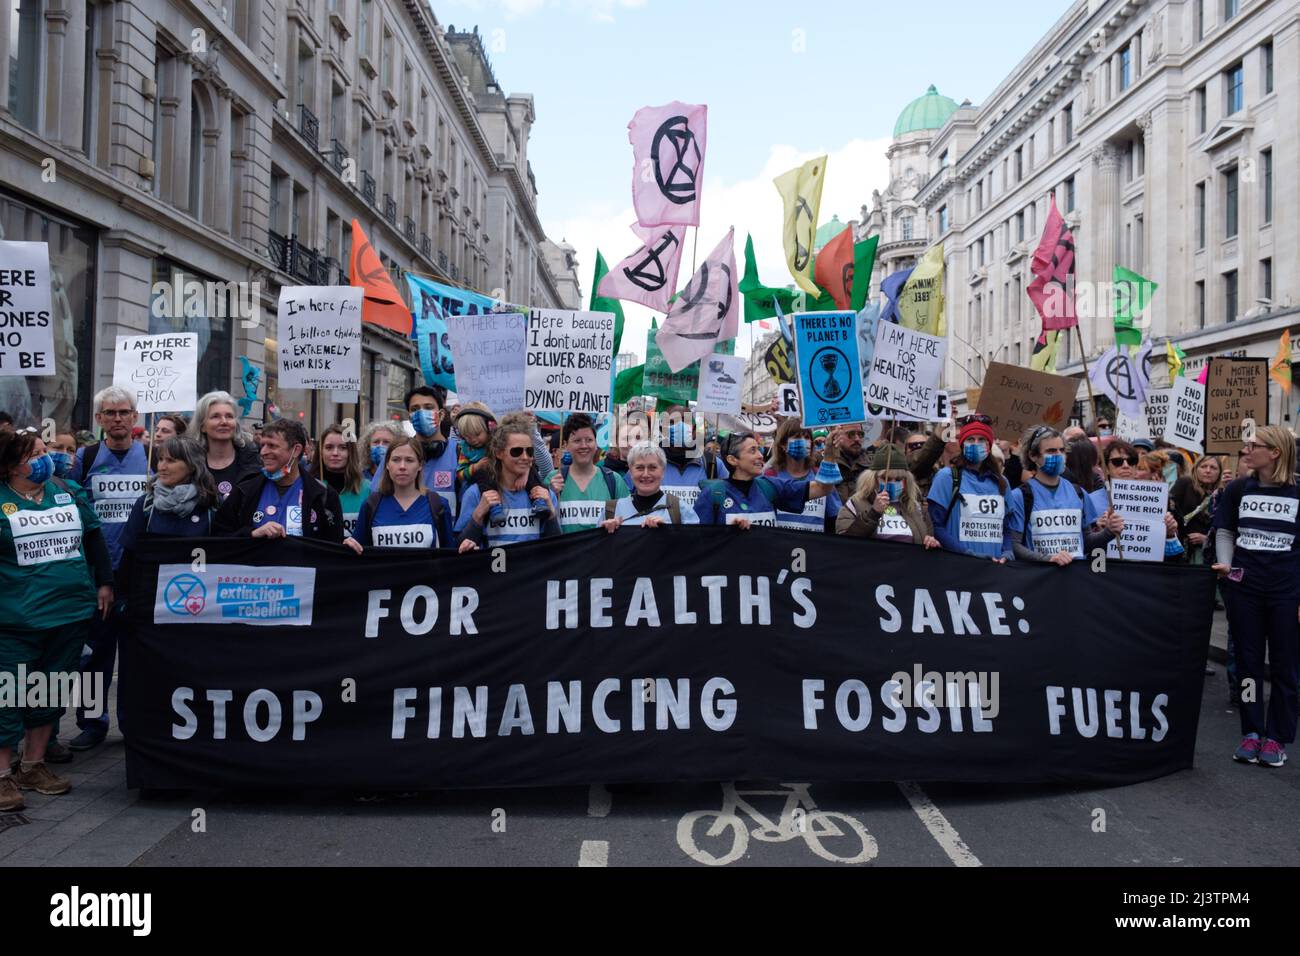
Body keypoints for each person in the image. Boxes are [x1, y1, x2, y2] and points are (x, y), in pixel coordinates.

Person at [0, 427, 114, 810]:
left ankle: (33, 765)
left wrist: (104, 583)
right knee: (9, 695)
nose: (46, 456)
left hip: (69, 613)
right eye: (35, 453)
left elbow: (94, 537)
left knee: (49, 689)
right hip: (16, 620)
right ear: (13, 464)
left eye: (44, 449)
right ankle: (2, 776)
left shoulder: (66, 491)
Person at [67, 386, 149, 752]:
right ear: (99, 419)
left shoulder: (152, 457)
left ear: (136, 417)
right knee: (95, 656)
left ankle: (136, 722)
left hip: (140, 575)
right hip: (97, 575)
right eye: (110, 413)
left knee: (138, 655)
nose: (118, 419)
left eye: (124, 412)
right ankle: (91, 722)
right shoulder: (84, 459)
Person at [1212, 426, 1300, 768]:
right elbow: (1225, 531)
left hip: (1286, 591)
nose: (1246, 449)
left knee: (1284, 666)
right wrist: (1230, 572)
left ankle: (1276, 737)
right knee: (1248, 663)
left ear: (1274, 452)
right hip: (1245, 590)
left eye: (1254, 445)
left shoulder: (1297, 491)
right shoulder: (1237, 489)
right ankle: (1251, 731)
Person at [1007, 425, 1123, 565]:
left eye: (1061, 450)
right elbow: (1014, 545)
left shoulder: (1078, 493)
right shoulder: (1020, 496)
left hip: (1076, 579)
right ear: (1033, 456)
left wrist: (1109, 531)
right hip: (1040, 579)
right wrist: (1048, 558)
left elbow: (1085, 542)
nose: (1058, 455)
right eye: (1051, 451)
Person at [213, 419, 345, 541]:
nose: (263, 452)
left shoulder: (324, 495)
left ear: (296, 450)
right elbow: (220, 537)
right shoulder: (244, 490)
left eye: (272, 446)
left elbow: (333, 548)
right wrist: (252, 533)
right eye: (262, 445)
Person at [456, 412, 561, 550]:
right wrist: (478, 515)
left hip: (533, 571)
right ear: (499, 453)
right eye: (516, 451)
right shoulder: (476, 494)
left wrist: (551, 514)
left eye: (529, 451)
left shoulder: (544, 495)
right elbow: (459, 547)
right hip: (494, 570)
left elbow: (557, 550)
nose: (525, 457)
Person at [694, 431, 839, 527]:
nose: (760, 456)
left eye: (759, 449)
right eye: (752, 450)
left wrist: (830, 454)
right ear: (732, 460)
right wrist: (728, 531)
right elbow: (700, 543)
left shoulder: (770, 486)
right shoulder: (712, 494)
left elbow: (823, 488)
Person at [926, 416, 1013, 562]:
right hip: (959, 566)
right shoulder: (946, 477)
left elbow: (1006, 529)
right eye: (970, 439)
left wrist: (1007, 552)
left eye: (981, 440)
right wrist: (967, 554)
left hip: (996, 568)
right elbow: (936, 526)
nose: (975, 444)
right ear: (962, 444)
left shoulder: (1002, 482)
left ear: (989, 445)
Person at [346, 436, 454, 553]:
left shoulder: (438, 505)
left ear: (420, 465)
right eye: (396, 460)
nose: (402, 466)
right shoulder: (371, 505)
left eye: (409, 460)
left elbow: (450, 556)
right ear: (387, 464)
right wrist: (347, 547)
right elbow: (358, 552)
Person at [837, 444, 940, 548]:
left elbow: (928, 539)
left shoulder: (916, 508)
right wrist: (873, 513)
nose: (893, 483)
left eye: (899, 479)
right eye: (887, 478)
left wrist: (931, 542)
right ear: (873, 479)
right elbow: (844, 544)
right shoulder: (855, 504)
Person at [548, 413, 630, 533]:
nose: (584, 446)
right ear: (565, 445)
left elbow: (629, 522)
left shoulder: (614, 480)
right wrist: (551, 495)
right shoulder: (554, 479)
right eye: (577, 441)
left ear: (596, 444)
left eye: (589, 440)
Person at [599, 441, 699, 530]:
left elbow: (695, 547)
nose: (646, 474)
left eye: (652, 467)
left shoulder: (681, 510)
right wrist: (604, 534)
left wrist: (669, 531)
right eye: (640, 468)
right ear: (630, 472)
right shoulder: (611, 511)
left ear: (663, 471)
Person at [764, 417, 840, 532]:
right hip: (779, 546)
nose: (803, 441)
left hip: (813, 546)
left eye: (807, 437)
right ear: (783, 445)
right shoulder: (771, 476)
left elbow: (834, 517)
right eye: (797, 437)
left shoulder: (821, 476)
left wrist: (830, 451)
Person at [188, 391, 260, 502]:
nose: (224, 422)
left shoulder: (254, 462)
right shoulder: (190, 464)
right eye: (215, 416)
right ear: (202, 426)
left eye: (229, 416)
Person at [656, 404, 726, 511]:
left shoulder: (713, 464)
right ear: (662, 430)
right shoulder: (648, 463)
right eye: (671, 422)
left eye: (684, 421)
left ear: (693, 430)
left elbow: (729, 502)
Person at [315, 424, 368, 539]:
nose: (335, 453)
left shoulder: (369, 489)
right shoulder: (309, 487)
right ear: (320, 451)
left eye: (343, 448)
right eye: (329, 447)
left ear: (351, 452)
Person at [1172, 455, 1222, 564]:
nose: (1208, 471)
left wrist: (1207, 540)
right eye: (1203, 466)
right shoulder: (1185, 483)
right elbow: (1171, 509)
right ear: (1195, 469)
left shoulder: (1222, 493)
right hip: (1180, 548)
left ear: (1219, 472)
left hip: (1207, 553)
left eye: (1213, 468)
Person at [822, 423, 871, 501]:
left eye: (860, 434)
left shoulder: (871, 465)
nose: (857, 439)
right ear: (836, 436)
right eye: (851, 434)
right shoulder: (825, 462)